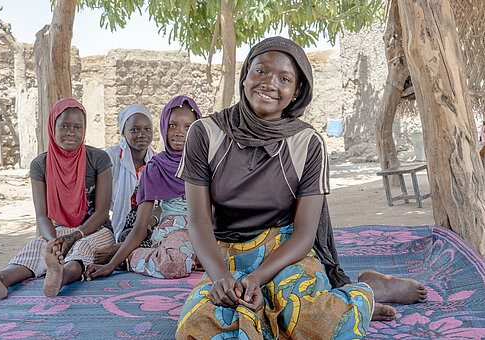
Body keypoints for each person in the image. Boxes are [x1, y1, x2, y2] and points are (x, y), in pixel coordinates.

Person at [175, 37, 428, 339]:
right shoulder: (205, 132)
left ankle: (369, 290)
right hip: (226, 251)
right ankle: (326, 305)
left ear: (296, 93)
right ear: (245, 77)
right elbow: (199, 220)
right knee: (200, 326)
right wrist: (220, 278)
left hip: (284, 249)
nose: (269, 83)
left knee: (311, 321)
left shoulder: (307, 143)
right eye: (261, 72)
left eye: (284, 79)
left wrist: (257, 278)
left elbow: (304, 234)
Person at [0, 99, 115, 299]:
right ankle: (0, 278)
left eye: (78, 127)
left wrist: (73, 237)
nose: (71, 133)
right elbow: (42, 215)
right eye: (64, 126)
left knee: (82, 248)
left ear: (84, 129)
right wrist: (55, 242)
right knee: (35, 248)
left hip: (95, 230)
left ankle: (61, 275)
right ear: (52, 126)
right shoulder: (40, 164)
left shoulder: (98, 159)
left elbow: (102, 212)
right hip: (57, 231)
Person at [85, 95, 202, 280]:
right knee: (174, 265)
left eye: (188, 127)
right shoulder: (155, 168)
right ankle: (131, 257)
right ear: (164, 126)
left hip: (205, 230)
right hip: (175, 230)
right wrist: (111, 265)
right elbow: (140, 227)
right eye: (173, 125)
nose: (180, 132)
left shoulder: (207, 163)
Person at [93, 104, 155, 264]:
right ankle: (125, 249)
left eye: (147, 129)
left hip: (148, 219)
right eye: (134, 130)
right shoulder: (111, 157)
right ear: (123, 132)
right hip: (118, 217)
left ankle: (119, 249)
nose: (142, 135)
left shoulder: (156, 161)